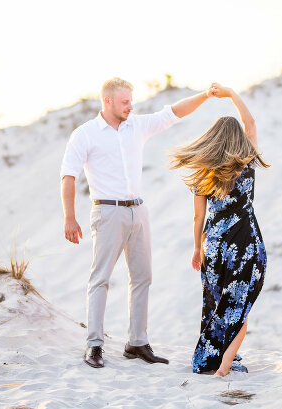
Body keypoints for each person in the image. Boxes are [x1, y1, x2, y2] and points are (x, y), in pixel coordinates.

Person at [60, 77, 215, 369]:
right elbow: (68, 175)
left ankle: (137, 343)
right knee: (101, 278)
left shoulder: (137, 126)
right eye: (125, 102)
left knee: (143, 276)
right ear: (107, 101)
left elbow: (173, 113)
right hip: (107, 212)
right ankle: (94, 345)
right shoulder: (85, 134)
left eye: (131, 101)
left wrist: (206, 94)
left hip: (138, 211)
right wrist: (70, 217)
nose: (130, 106)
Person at [170, 84, 269, 376]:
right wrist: (231, 94)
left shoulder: (204, 173)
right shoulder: (247, 163)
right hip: (245, 243)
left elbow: (197, 217)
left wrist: (198, 248)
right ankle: (224, 366)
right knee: (239, 304)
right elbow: (250, 124)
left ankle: (211, 359)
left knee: (215, 305)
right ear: (238, 139)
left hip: (214, 245)